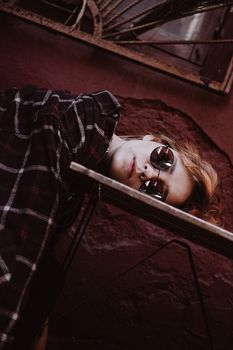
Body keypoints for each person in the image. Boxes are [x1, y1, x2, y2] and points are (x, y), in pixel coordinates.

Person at [0, 86, 218, 349]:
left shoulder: (76, 184)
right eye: (163, 160)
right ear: (153, 139)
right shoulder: (80, 122)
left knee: (48, 278)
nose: (149, 174)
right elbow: (18, 246)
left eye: (155, 191)